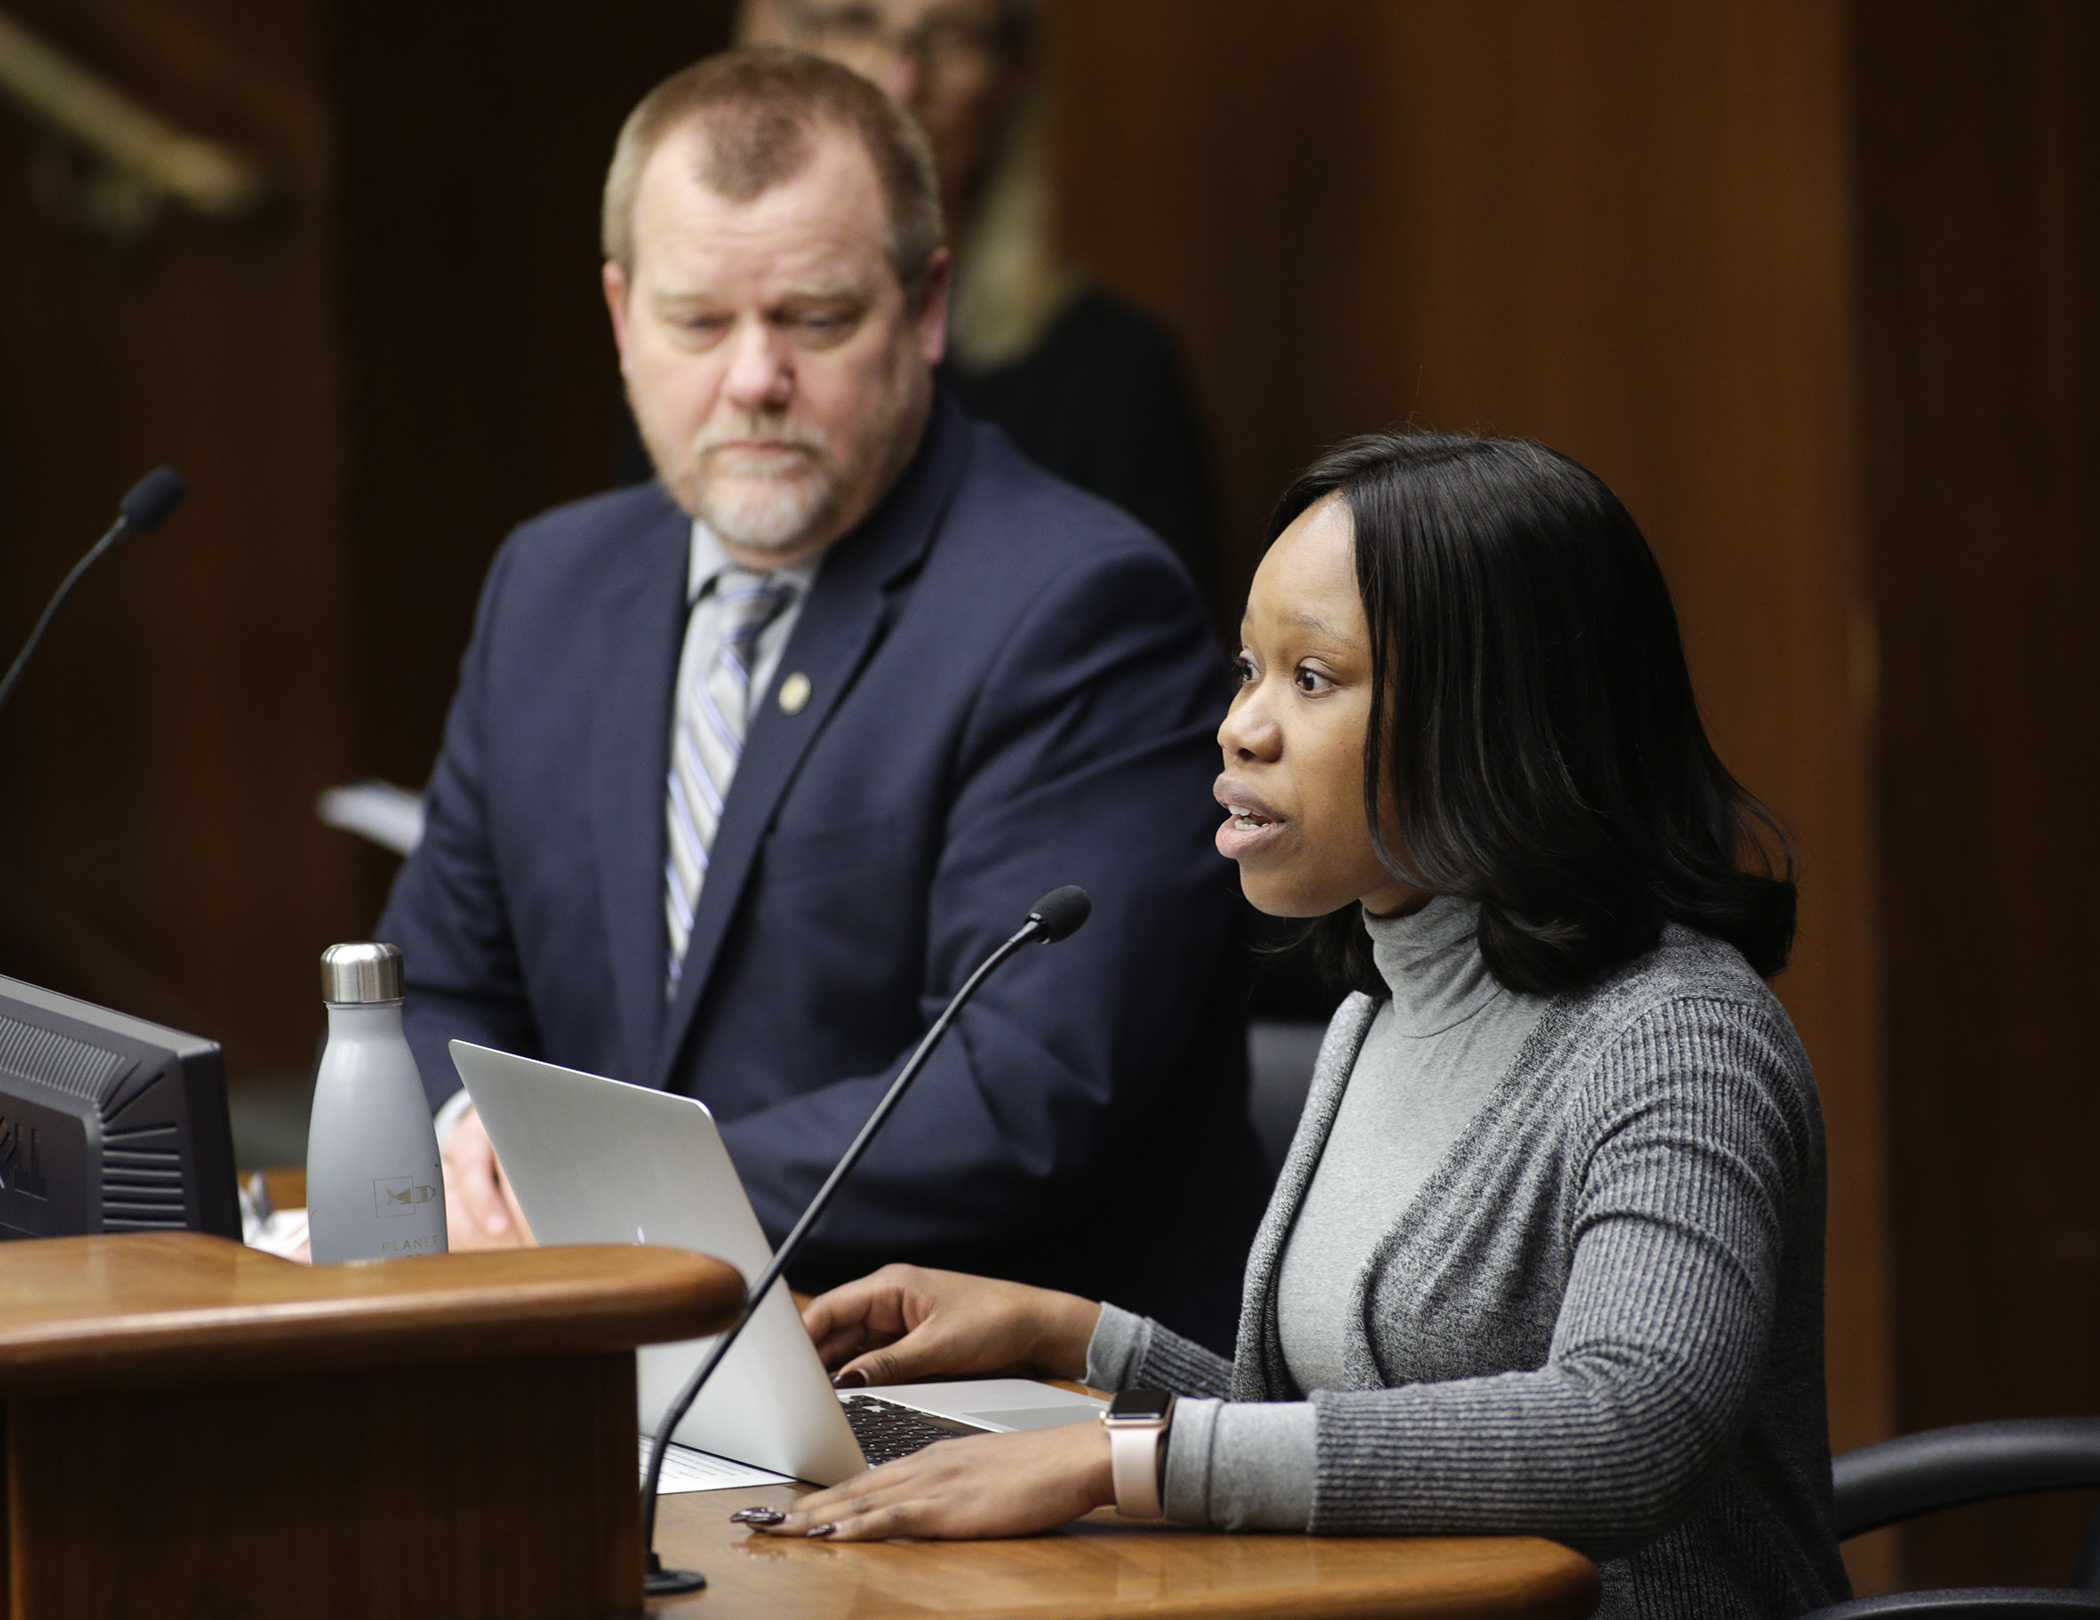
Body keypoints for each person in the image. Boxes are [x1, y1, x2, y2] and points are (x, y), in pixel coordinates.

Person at [735, 433, 1853, 1618]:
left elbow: (1628, 1427)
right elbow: (1333, 1436)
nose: (1240, 728)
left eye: (1311, 679)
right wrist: (1077, 1337)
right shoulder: (1377, 1010)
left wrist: (1120, 1457)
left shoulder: (1680, 1042)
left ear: (1500, 714)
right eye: (1246, 670)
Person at [378, 47, 1264, 1349]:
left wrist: (604, 1198)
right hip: (610, 1368)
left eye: (813, 319)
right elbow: (429, 987)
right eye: (698, 323)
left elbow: (1021, 1091)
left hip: (976, 1407)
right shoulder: (550, 585)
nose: (752, 380)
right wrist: (469, 1144)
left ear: (924, 307)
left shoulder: (1078, 605)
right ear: (623, 318)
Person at [725, 0, 1216, 577]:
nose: (900, 84)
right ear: (768, 30)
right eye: (854, 22)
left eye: (953, 36)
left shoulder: (1115, 379)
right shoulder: (704, 352)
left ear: (1016, 66)